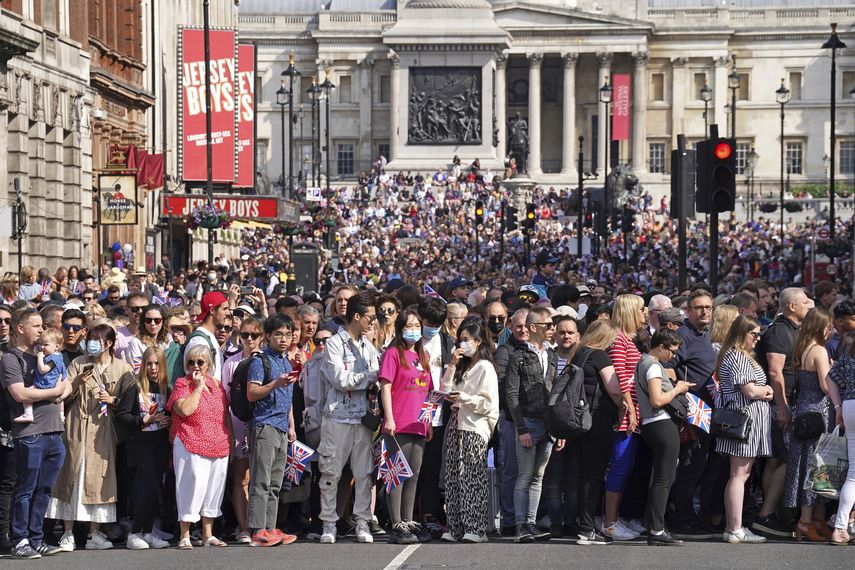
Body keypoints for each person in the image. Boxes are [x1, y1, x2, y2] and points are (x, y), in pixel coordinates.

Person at [49, 323, 134, 552]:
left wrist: (112, 400)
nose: (91, 343)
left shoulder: (122, 368)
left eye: (97, 339)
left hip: (103, 431)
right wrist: (77, 382)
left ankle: (94, 533)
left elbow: (130, 403)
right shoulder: (78, 363)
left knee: (99, 479)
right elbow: (64, 394)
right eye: (90, 338)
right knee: (71, 475)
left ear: (109, 343)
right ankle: (67, 533)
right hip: (77, 426)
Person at [1, 308, 70, 559]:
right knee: (25, 490)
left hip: (54, 431)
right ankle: (20, 540)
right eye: (37, 326)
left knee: (44, 490)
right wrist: (55, 392)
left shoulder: (50, 353)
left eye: (43, 326)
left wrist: (65, 387)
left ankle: (37, 538)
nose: (42, 330)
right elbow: (20, 394)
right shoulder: (11, 359)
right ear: (21, 328)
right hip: (29, 433)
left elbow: (67, 381)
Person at [317, 292, 379, 544]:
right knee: (330, 472)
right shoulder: (333, 344)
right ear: (356, 316)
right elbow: (340, 380)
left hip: (363, 419)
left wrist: (370, 381)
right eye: (370, 317)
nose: (373, 322)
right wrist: (369, 378)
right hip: (337, 417)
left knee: (363, 473)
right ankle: (329, 523)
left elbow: (376, 377)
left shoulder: (369, 347)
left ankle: (361, 521)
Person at [752, 287, 811, 538]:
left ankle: (773, 513)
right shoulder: (779, 331)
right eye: (806, 302)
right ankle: (767, 513)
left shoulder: (796, 330)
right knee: (787, 460)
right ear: (792, 306)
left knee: (777, 460)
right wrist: (783, 407)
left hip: (787, 403)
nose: (810, 305)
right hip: (780, 405)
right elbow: (775, 372)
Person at [664, 289, 719, 539]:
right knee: (690, 466)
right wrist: (681, 394)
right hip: (693, 409)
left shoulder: (707, 334)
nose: (705, 311)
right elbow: (665, 368)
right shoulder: (683, 335)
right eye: (699, 308)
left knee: (702, 465)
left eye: (708, 307)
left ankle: (694, 516)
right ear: (688, 311)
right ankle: (681, 519)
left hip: (710, 409)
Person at [166, 344, 232, 550]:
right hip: (190, 441)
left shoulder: (218, 385)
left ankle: (208, 534)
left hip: (218, 443)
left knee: (214, 490)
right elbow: (185, 410)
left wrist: (230, 437)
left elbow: (225, 413)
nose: (195, 366)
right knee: (190, 487)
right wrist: (198, 387)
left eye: (200, 362)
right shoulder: (182, 383)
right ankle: (184, 534)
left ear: (209, 365)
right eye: (191, 362)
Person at [715, 315, 773, 544]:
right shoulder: (738, 356)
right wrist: (766, 390)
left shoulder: (741, 355)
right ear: (742, 334)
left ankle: (734, 527)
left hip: (748, 421)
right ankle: (735, 528)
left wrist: (763, 391)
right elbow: (749, 391)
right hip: (743, 421)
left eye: (759, 334)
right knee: (739, 475)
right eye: (754, 334)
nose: (758, 338)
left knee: (740, 475)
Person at [440, 318, 499, 543]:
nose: (462, 345)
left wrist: (463, 398)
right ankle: (455, 527)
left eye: (466, 340)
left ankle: (476, 527)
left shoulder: (485, 367)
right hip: (456, 426)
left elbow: (489, 404)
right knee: (454, 477)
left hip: (475, 428)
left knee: (471, 477)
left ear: (478, 341)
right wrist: (452, 364)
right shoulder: (463, 366)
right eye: (460, 340)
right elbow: (444, 389)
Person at [566, 320, 623, 545]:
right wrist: (623, 407)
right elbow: (614, 388)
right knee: (594, 476)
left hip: (577, 421)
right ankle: (587, 528)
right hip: (598, 419)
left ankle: (583, 525)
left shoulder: (578, 354)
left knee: (581, 475)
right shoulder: (600, 356)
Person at [380, 307, 433, 544]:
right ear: (400, 329)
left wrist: (428, 420)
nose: (413, 331)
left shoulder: (423, 357)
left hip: (419, 423)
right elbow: (386, 386)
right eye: (408, 326)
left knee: (414, 474)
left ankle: (408, 519)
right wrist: (389, 417)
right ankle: (396, 523)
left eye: (416, 326)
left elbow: (429, 392)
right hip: (398, 422)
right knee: (396, 474)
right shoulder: (393, 353)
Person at [504, 306, 557, 543]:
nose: (552, 330)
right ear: (534, 327)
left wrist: (558, 427)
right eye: (548, 326)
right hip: (528, 422)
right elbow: (512, 395)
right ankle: (520, 525)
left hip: (548, 424)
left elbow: (555, 390)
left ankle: (531, 522)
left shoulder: (552, 355)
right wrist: (521, 428)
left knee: (538, 476)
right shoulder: (519, 357)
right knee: (525, 476)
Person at [246, 313, 299, 547]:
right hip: (264, 425)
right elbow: (251, 393)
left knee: (276, 482)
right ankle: (258, 529)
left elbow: (287, 398)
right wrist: (275, 383)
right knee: (261, 479)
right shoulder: (260, 361)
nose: (284, 339)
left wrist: (291, 426)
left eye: (288, 334)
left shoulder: (285, 361)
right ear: (267, 336)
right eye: (278, 334)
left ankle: (270, 527)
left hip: (281, 427)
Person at [783, 308, 836, 541]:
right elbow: (826, 386)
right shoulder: (819, 351)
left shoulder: (802, 348)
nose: (831, 331)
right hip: (817, 411)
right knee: (815, 467)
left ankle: (814, 519)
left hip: (801, 411)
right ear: (820, 328)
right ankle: (806, 521)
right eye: (828, 327)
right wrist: (835, 371)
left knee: (803, 465)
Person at [635, 329, 690, 546]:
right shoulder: (652, 366)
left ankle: (655, 525)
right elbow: (657, 400)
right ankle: (657, 530)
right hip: (661, 423)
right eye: (672, 351)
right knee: (664, 479)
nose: (674, 357)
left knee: (660, 477)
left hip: (652, 425)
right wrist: (678, 388)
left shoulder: (644, 362)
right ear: (661, 347)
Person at [114, 346, 171, 550]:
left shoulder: (165, 388)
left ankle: (147, 532)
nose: (153, 368)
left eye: (157, 363)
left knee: (155, 489)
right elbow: (121, 415)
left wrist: (167, 421)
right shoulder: (135, 386)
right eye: (149, 363)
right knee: (145, 488)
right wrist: (143, 419)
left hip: (160, 442)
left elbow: (170, 414)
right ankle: (134, 533)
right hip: (140, 443)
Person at [602, 294, 643, 541]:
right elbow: (619, 379)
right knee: (619, 467)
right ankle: (609, 522)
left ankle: (616, 517)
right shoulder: (618, 340)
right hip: (625, 415)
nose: (644, 314)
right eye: (641, 310)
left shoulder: (627, 339)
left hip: (633, 411)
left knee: (625, 467)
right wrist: (629, 409)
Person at [221, 315, 264, 544]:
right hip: (238, 423)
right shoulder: (231, 363)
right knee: (242, 477)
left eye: (254, 335)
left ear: (262, 336)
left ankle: (262, 526)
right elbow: (225, 400)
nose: (249, 339)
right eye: (245, 334)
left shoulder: (268, 360)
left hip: (264, 422)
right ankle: (244, 527)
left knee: (263, 477)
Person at [493, 307, 529, 535]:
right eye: (518, 326)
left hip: (535, 420)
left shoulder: (541, 351)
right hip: (510, 419)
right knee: (510, 471)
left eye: (527, 325)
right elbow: (504, 385)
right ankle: (508, 519)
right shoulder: (504, 351)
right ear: (510, 327)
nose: (523, 330)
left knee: (532, 473)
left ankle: (528, 518)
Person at [828, 332, 855, 544]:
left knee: (853, 475)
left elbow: (831, 377)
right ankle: (842, 526)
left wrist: (837, 406)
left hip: (849, 406)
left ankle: (840, 527)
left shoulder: (850, 351)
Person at [15, 328, 65, 424]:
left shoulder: (53, 358)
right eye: (40, 344)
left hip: (44, 384)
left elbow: (43, 370)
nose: (42, 347)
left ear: (57, 346)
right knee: (60, 399)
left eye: (46, 345)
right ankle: (61, 414)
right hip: (53, 384)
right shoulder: (59, 356)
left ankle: (28, 413)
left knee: (27, 394)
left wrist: (39, 358)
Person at [185, 291, 231, 381]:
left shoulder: (210, 337)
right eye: (224, 309)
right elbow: (196, 380)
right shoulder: (199, 341)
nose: (228, 313)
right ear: (212, 310)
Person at [125, 305, 170, 374]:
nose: (152, 323)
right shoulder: (136, 343)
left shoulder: (167, 341)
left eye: (157, 320)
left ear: (163, 321)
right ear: (143, 322)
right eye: (148, 320)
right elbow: (138, 371)